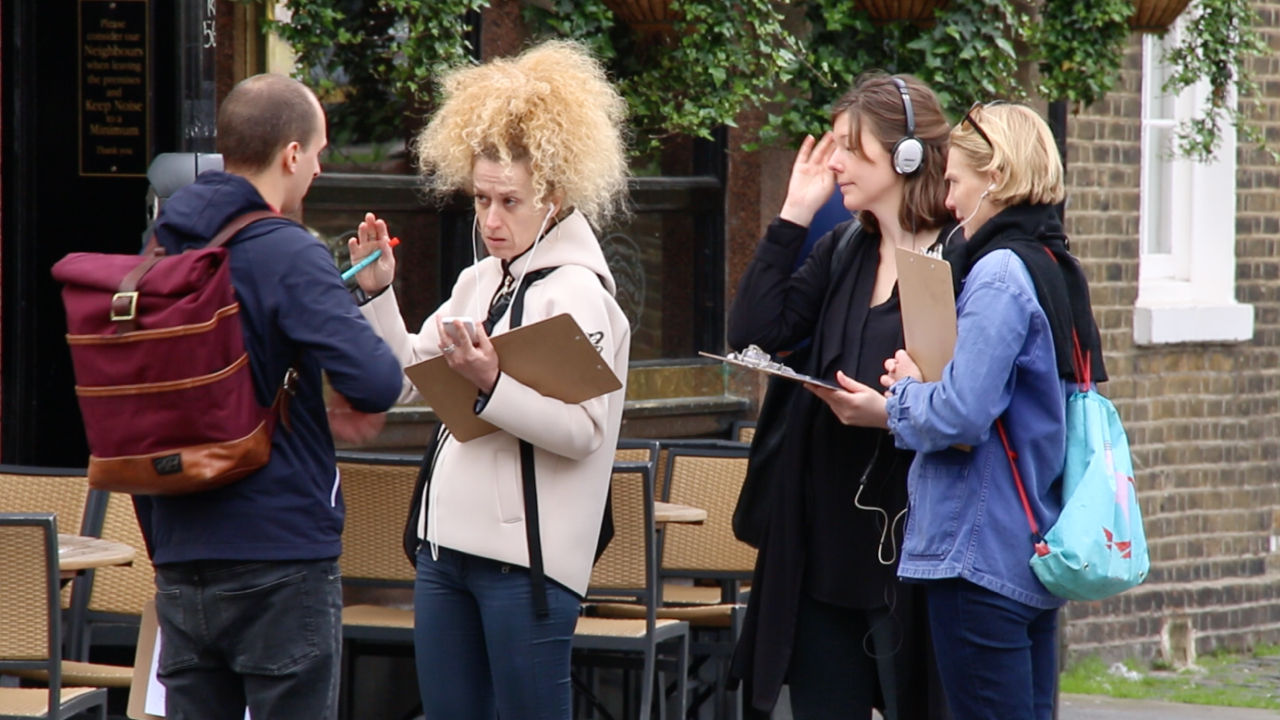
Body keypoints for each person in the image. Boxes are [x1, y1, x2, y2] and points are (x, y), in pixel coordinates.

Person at [347, 40, 631, 719]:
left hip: (526, 564)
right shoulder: (479, 280)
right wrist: (380, 293)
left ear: (555, 198)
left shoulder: (582, 294)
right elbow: (406, 376)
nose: (492, 219)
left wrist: (490, 385)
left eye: (511, 200)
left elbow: (585, 434)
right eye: (481, 199)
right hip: (447, 551)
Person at [138, 73, 403, 720]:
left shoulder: (160, 245)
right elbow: (378, 381)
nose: (317, 167)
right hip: (280, 553)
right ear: (290, 154)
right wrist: (356, 304)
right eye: (317, 152)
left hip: (179, 550)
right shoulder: (288, 251)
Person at [842, 102, 1107, 719]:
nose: (949, 200)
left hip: (978, 550)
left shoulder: (998, 275)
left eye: (956, 181)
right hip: (1032, 542)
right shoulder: (1053, 264)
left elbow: (963, 414)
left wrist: (904, 391)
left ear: (996, 178)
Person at [727, 72, 952, 719]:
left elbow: (965, 404)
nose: (834, 162)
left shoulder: (955, 259)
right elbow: (756, 334)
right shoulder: (846, 249)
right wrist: (794, 215)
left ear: (906, 155)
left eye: (852, 149)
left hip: (909, 551)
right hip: (821, 547)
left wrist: (889, 415)